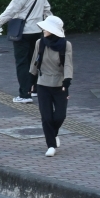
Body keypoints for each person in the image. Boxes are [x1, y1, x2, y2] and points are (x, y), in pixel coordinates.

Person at [0, 0, 52, 103]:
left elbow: (13, 7)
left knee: (22, 63)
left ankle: (24, 95)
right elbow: (46, 7)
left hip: (23, 31)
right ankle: (34, 89)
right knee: (34, 61)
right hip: (37, 30)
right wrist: (51, 25)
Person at [30, 15, 73, 157]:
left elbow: (68, 64)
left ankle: (53, 134)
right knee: (46, 117)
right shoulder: (40, 43)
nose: (43, 30)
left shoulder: (66, 45)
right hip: (43, 84)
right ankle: (51, 145)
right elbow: (35, 62)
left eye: (46, 28)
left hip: (60, 84)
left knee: (60, 115)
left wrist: (67, 82)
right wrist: (31, 82)